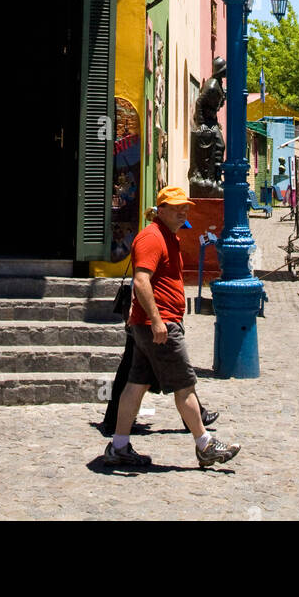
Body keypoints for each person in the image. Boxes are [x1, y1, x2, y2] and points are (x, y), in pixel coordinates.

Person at [102, 186, 240, 470]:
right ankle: (205, 445)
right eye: (177, 208)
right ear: (161, 209)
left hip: (154, 324)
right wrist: (156, 321)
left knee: (136, 385)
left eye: (186, 209)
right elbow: (141, 281)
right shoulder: (152, 237)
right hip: (159, 326)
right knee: (184, 385)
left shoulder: (168, 236)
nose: (183, 213)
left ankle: (118, 445)